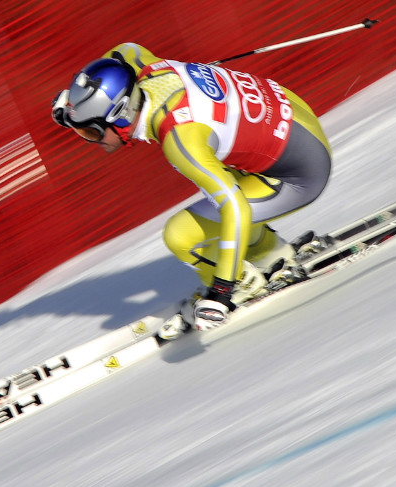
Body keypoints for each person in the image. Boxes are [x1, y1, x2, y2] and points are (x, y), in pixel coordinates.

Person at [51, 43, 332, 336]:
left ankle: (243, 284)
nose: (91, 141)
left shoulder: (181, 142)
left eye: (91, 132)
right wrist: (75, 104)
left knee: (180, 235)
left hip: (299, 175)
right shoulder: (143, 68)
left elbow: (235, 207)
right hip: (294, 114)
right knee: (218, 181)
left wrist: (222, 289)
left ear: (122, 114)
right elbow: (123, 52)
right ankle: (271, 253)